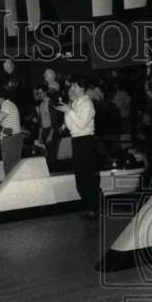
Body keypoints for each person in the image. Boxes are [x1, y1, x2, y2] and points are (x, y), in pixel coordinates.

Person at [56, 75, 100, 220]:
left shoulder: (87, 103)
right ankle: (90, 207)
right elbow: (71, 127)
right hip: (77, 141)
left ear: (82, 88)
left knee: (88, 177)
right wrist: (67, 112)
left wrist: (68, 111)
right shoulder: (75, 103)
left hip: (86, 141)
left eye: (75, 86)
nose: (72, 88)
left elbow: (81, 125)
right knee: (81, 179)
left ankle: (95, 209)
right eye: (72, 86)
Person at [0, 88, 22, 174]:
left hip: (10, 139)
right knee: (14, 167)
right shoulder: (9, 104)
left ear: (2, 97)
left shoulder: (6, 104)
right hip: (14, 137)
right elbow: (8, 127)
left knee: (9, 168)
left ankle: (11, 186)